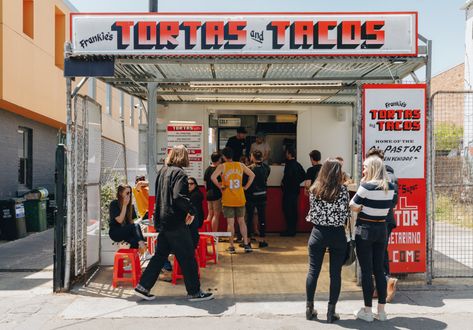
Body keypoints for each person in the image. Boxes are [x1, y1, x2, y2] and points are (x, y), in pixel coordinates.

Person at [134, 145, 214, 302]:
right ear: (183, 157)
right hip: (176, 222)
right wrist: (191, 210)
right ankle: (195, 292)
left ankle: (143, 287)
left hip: (163, 221)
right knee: (188, 256)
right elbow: (178, 197)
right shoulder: (180, 174)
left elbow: (159, 196)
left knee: (160, 255)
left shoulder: (162, 172)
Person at [349, 155, 396, 322]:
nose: (363, 170)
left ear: (373, 169)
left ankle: (368, 311)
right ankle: (381, 311)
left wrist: (362, 205)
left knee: (367, 272)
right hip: (381, 229)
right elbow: (391, 205)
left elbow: (352, 205)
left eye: (365, 167)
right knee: (379, 270)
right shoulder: (390, 187)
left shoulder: (366, 186)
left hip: (365, 229)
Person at [305, 159, 350, 323]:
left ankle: (309, 308)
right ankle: (331, 312)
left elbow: (313, 211)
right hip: (337, 234)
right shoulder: (343, 190)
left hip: (318, 233)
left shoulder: (314, 189)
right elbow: (346, 212)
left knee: (313, 271)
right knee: (335, 274)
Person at [365, 148, 399, 302]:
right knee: (379, 253)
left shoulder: (388, 176)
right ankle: (381, 286)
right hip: (379, 221)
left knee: (379, 254)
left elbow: (393, 201)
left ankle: (385, 285)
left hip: (383, 220)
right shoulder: (381, 175)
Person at [211, 147, 255, 253]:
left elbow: (213, 177)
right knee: (242, 222)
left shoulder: (222, 166)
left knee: (230, 223)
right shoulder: (240, 165)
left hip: (228, 198)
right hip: (240, 197)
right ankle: (246, 244)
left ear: (224, 157)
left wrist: (220, 186)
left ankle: (231, 246)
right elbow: (252, 175)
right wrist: (246, 187)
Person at [133, 175, 173, 272]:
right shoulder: (136, 188)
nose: (142, 181)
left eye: (143, 178)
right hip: (147, 214)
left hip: (152, 213)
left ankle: (156, 258)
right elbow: (139, 184)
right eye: (140, 179)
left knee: (159, 237)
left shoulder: (148, 189)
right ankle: (153, 257)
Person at [109, 184, 151, 260]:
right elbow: (120, 220)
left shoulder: (130, 206)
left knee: (134, 241)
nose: (129, 195)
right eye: (127, 193)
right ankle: (145, 251)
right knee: (135, 226)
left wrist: (137, 234)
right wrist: (124, 205)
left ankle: (131, 263)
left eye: (130, 192)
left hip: (125, 231)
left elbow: (131, 223)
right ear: (120, 193)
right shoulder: (114, 204)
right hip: (115, 232)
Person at [246, 150, 271, 248]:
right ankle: (262, 240)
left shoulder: (249, 169)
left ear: (252, 157)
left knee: (249, 218)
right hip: (263, 195)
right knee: (262, 218)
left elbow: (246, 181)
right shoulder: (267, 168)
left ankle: (247, 241)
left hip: (251, 196)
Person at [281, 146, 306, 237]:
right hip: (295, 191)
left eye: (287, 153)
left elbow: (287, 178)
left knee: (287, 210)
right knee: (293, 211)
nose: (285, 154)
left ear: (290, 154)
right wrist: (296, 182)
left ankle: (289, 230)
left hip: (288, 191)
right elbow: (304, 175)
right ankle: (292, 230)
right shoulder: (297, 164)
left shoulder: (289, 165)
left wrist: (285, 183)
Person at [203, 152, 222, 232]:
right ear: (219, 159)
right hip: (216, 194)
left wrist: (208, 190)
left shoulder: (208, 169)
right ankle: (214, 235)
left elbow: (205, 183)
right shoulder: (218, 170)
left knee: (210, 214)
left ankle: (209, 234)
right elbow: (220, 183)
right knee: (216, 215)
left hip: (209, 194)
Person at [188, 177, 204, 249]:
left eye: (191, 183)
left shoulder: (196, 195)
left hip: (196, 220)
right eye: (187, 184)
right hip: (192, 219)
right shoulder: (188, 194)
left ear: (195, 185)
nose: (189, 185)